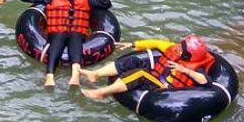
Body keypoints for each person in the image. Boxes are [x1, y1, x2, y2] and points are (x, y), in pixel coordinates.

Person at [4, 0, 111, 87]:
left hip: (77, 31)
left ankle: (75, 74)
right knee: (57, 40)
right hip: (58, 31)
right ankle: (50, 76)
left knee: (76, 39)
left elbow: (106, 5)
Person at [81, 34, 215, 101]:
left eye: (182, 49)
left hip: (165, 89)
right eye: (180, 45)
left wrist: (185, 70)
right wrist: (133, 44)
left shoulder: (196, 68)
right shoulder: (172, 49)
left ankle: (103, 92)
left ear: (188, 55)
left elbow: (206, 81)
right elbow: (155, 43)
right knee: (133, 61)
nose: (178, 48)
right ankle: (95, 74)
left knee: (142, 74)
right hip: (156, 75)